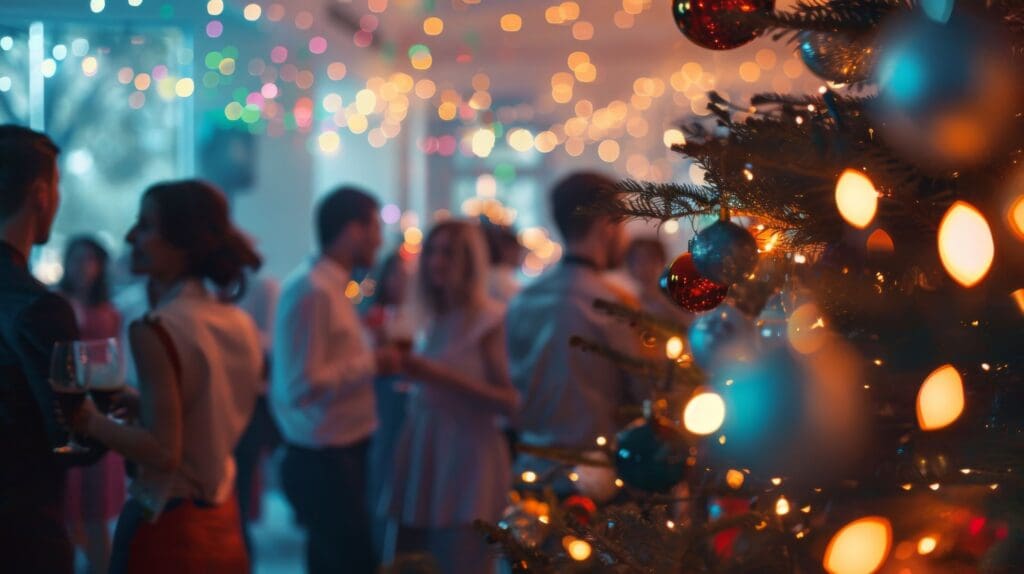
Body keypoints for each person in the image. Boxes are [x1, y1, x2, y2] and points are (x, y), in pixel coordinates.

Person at [63, 180, 264, 573]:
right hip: (222, 523)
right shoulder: (238, 322)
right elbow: (207, 421)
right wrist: (143, 405)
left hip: (167, 528)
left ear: (182, 240)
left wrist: (84, 418)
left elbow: (161, 451)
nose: (131, 236)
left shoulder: (156, 327)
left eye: (146, 225)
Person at [270, 186, 402, 574]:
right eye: (375, 227)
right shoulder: (312, 289)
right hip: (324, 459)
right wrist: (374, 362)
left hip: (337, 452)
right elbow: (300, 385)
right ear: (352, 230)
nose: (380, 239)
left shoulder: (331, 286)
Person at [384, 220, 518, 574]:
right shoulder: (433, 317)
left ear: (470, 262)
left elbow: (510, 402)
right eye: (432, 252)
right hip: (425, 444)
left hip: (468, 454)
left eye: (448, 253)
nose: (436, 262)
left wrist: (439, 377)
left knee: (462, 561)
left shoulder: (489, 319)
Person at [0, 125, 104, 573]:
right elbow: (72, 439)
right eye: (57, 187)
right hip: (21, 533)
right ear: (41, 194)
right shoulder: (38, 306)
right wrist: (114, 412)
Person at [506, 172, 647, 494]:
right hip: (597, 479)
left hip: (531, 468)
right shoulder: (614, 304)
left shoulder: (523, 300)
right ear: (604, 225)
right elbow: (642, 389)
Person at [58, 236, 127, 574]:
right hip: (67, 414)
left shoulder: (111, 312)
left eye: (90, 260)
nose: (83, 267)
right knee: (69, 512)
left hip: (99, 411)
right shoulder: (56, 304)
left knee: (97, 511)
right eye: (77, 258)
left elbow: (117, 365)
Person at [364, 251, 413, 557]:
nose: (400, 281)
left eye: (405, 275)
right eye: (395, 275)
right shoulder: (373, 316)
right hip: (380, 400)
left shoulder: (417, 315)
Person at [233, 270, 281, 559]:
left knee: (241, 481)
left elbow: (272, 342)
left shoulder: (265, 287)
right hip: (237, 397)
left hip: (252, 399)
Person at [624, 237, 693, 327]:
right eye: (638, 261)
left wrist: (662, 302)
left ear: (662, 262)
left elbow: (691, 324)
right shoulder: (628, 301)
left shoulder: (679, 295)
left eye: (650, 260)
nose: (645, 268)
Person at [482, 222, 523, 303]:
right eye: (517, 250)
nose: (519, 256)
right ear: (507, 251)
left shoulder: (487, 274)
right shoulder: (502, 278)